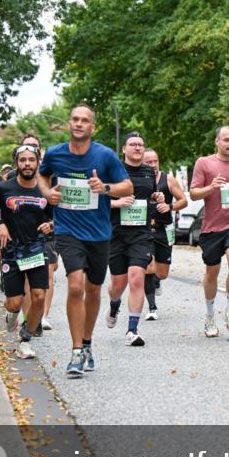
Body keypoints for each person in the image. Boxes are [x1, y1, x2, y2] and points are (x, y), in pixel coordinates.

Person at [38, 105, 132, 378]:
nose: (79, 124)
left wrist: (104, 188)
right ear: (69, 124)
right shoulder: (55, 154)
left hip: (99, 233)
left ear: (92, 127)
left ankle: (88, 342)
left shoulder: (104, 156)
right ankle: (76, 350)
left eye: (85, 121)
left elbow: (128, 187)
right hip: (67, 229)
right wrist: (47, 193)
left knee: (93, 289)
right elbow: (43, 176)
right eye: (75, 119)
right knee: (76, 285)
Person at [0, 144, 53, 359]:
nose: (27, 164)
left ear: (37, 163)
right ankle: (12, 314)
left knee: (39, 296)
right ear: (17, 163)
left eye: (31, 160)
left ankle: (26, 339)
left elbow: (56, 216)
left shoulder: (45, 190)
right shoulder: (4, 189)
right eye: (22, 160)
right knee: (14, 302)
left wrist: (51, 225)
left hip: (36, 247)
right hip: (12, 250)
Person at [189, 125, 229, 337]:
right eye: (226, 140)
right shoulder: (204, 163)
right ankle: (209, 316)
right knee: (212, 272)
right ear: (217, 142)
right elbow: (193, 194)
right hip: (212, 227)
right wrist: (211, 188)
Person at [104, 132, 162, 346]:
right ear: (124, 149)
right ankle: (114, 303)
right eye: (133, 145)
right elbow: (98, 201)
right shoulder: (113, 171)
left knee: (136, 277)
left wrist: (158, 197)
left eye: (140, 145)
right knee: (118, 284)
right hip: (116, 234)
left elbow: (152, 195)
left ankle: (132, 330)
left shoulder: (149, 172)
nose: (137, 148)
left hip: (141, 234)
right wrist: (117, 203)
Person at [142, 148, 187, 320]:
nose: (153, 165)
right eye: (149, 162)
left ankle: (157, 280)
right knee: (148, 266)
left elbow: (184, 200)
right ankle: (152, 308)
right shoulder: (138, 180)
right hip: (145, 229)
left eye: (155, 161)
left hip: (164, 228)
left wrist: (170, 207)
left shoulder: (168, 179)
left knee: (162, 273)